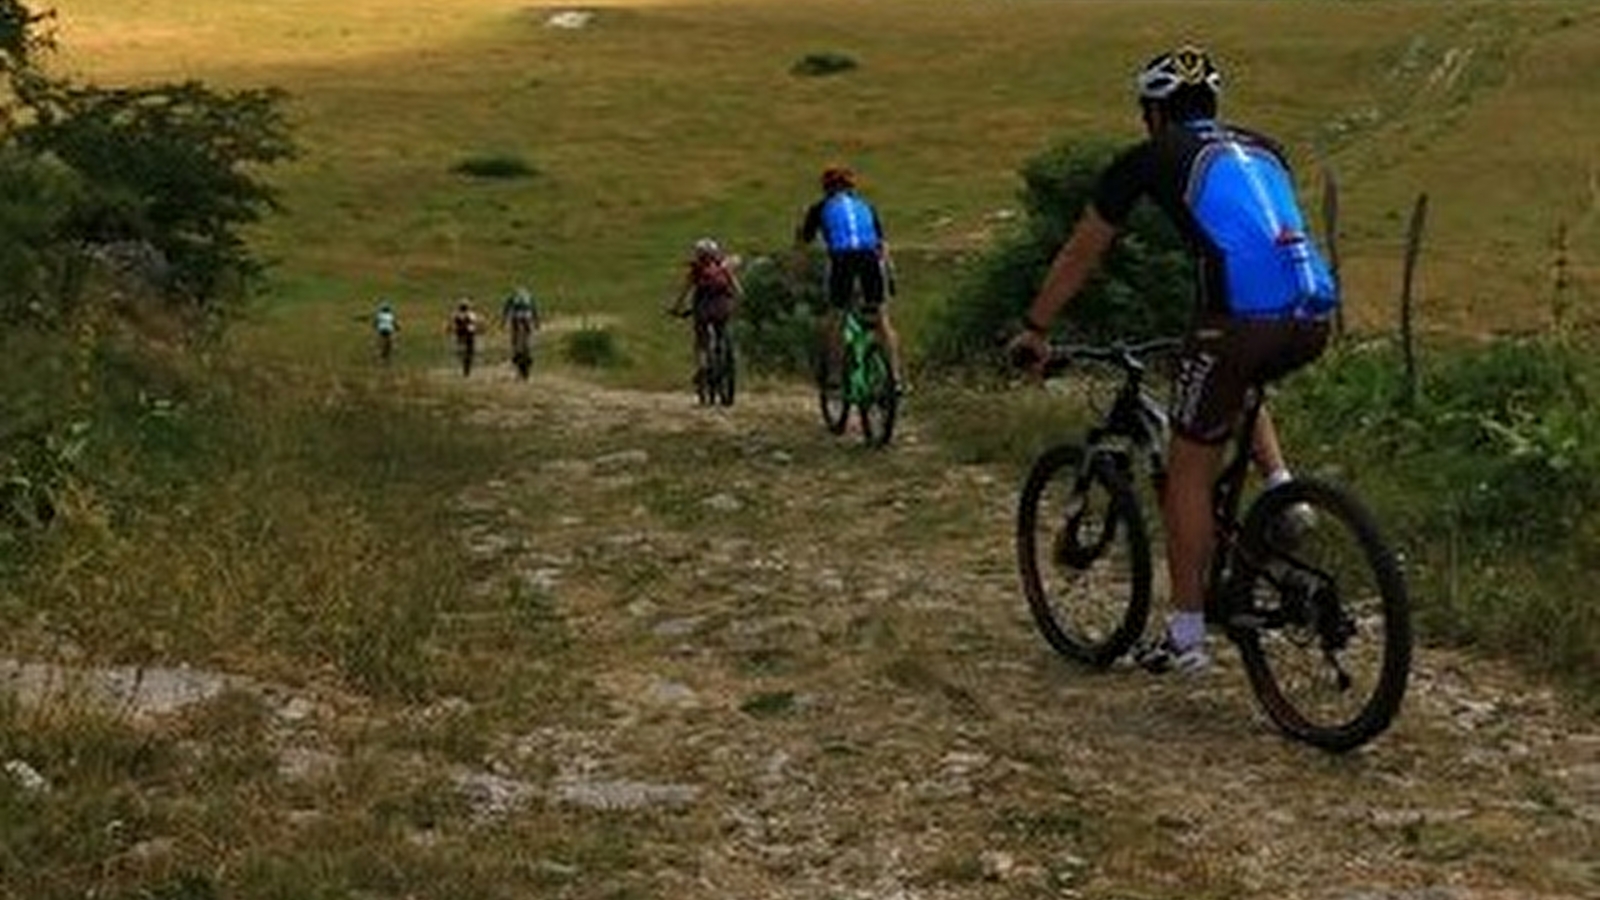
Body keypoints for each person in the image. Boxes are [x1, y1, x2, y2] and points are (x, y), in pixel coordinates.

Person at [1008, 46, 1337, 675]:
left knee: (1188, 470)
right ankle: (1283, 490)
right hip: (1313, 314)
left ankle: (1185, 638)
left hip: (1236, 324)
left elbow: (1081, 254)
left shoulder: (1147, 158)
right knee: (1231, 377)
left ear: (1153, 113)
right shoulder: (1265, 148)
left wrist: (1035, 328)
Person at [796, 166, 905, 390]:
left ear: (826, 188)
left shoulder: (820, 207)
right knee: (881, 317)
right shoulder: (866, 206)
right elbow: (882, 245)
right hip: (871, 258)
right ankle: (895, 377)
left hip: (842, 259)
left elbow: (804, 243)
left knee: (838, 315)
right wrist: (891, 277)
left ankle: (834, 376)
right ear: (851, 187)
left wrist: (799, 242)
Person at [668, 237, 742, 390]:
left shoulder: (696, 270)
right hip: (723, 307)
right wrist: (740, 302)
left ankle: (702, 367)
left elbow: (685, 291)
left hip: (703, 308)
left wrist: (676, 308)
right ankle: (725, 355)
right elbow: (737, 288)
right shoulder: (723, 267)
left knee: (701, 340)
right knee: (722, 331)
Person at [501, 285, 542, 373]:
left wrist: (503, 321)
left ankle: (516, 351)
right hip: (527, 317)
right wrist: (537, 322)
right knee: (528, 335)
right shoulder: (529, 297)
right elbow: (534, 309)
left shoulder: (513, 297)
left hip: (516, 317)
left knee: (515, 336)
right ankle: (528, 350)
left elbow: (506, 309)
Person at [447, 297, 480, 376]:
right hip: (466, 335)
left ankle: (465, 366)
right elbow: (474, 324)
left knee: (466, 351)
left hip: (464, 334)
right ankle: (466, 366)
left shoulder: (460, 315)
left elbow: (452, 324)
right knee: (468, 352)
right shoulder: (469, 314)